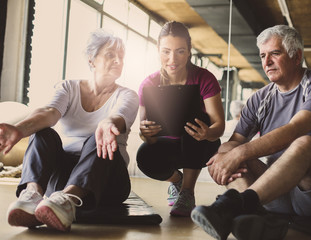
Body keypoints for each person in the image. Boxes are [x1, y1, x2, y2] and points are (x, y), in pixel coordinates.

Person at [191, 25, 311, 240]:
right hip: (277, 191)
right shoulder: (259, 99)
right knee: (229, 150)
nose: (266, 62)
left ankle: (239, 206)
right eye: (262, 55)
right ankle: (253, 214)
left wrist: (239, 154)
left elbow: (294, 130)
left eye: (275, 54)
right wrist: (224, 158)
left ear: (296, 57)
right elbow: (232, 145)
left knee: (304, 143)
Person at [2, 29, 139, 232]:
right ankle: (32, 196)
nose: (118, 61)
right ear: (92, 60)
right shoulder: (68, 87)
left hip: (108, 180)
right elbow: (49, 112)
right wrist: (20, 129)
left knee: (99, 137)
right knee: (44, 133)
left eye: (121, 56)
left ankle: (68, 200)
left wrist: (107, 124)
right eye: (111, 54)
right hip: (63, 179)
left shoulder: (128, 95)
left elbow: (117, 117)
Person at [136, 21, 225, 217]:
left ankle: (187, 192)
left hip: (200, 146)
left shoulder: (205, 78)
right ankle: (177, 180)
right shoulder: (148, 84)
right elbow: (147, 136)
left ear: (190, 50)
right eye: (166, 51)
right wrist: (146, 133)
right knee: (143, 155)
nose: (172, 59)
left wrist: (207, 132)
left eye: (180, 51)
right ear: (158, 49)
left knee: (196, 118)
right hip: (168, 147)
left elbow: (219, 126)